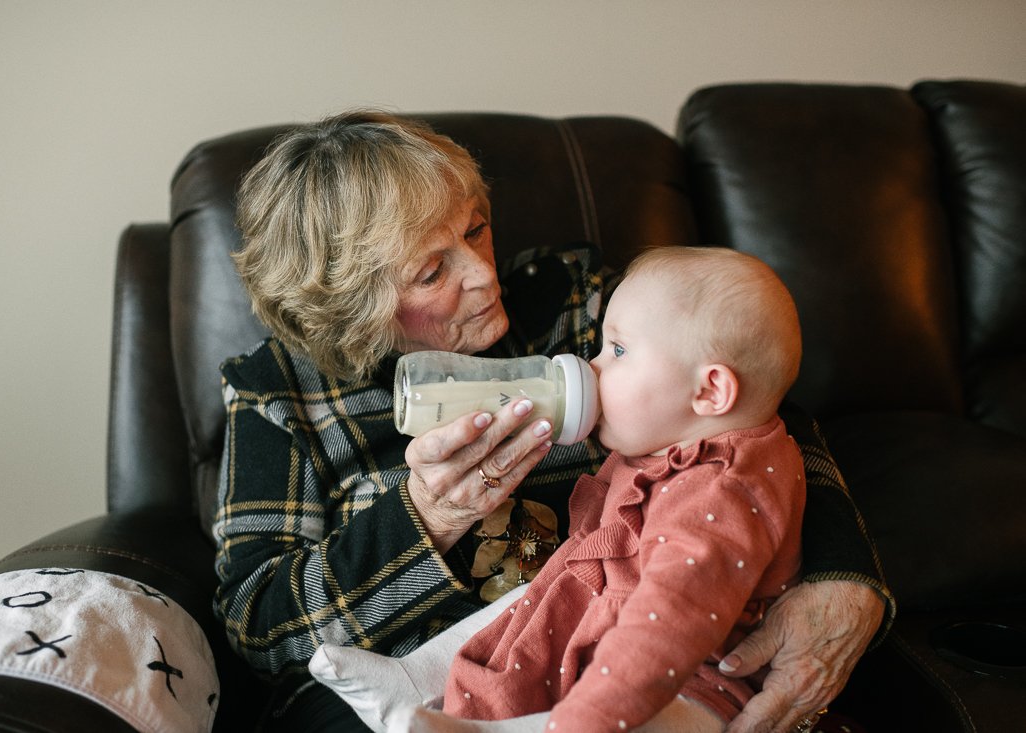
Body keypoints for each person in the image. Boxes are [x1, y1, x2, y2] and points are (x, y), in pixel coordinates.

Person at [213, 110, 893, 733]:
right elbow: (258, 624)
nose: (484, 276)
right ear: (351, 304)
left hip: (612, 647)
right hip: (397, 687)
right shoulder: (278, 393)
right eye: (430, 271)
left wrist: (842, 575)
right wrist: (424, 517)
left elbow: (749, 410)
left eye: (476, 227)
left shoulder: (567, 299)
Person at [384, 245, 807, 733]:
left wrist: (584, 720)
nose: (594, 367)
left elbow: (665, 628)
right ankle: (413, 679)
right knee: (527, 605)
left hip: (692, 681)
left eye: (618, 351)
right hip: (610, 625)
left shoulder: (720, 493)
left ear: (710, 392)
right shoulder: (674, 437)